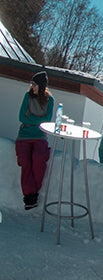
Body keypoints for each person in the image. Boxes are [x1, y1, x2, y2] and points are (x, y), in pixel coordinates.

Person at [15, 71, 54, 210]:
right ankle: (29, 196)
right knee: (25, 161)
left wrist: (31, 119)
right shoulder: (28, 96)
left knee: (38, 159)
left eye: (35, 84)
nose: (32, 87)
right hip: (24, 136)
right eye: (32, 84)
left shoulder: (50, 100)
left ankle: (33, 194)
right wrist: (37, 121)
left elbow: (47, 120)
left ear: (42, 86)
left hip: (40, 137)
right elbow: (21, 117)